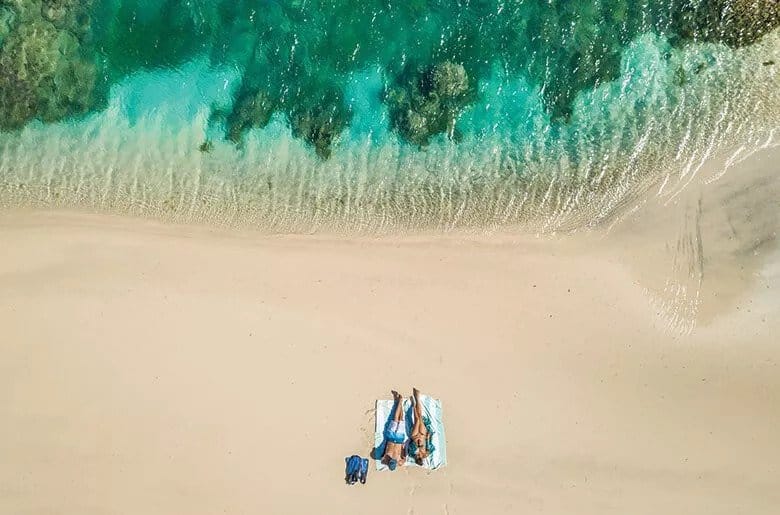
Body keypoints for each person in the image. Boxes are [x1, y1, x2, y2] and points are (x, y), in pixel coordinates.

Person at [381, 390, 407, 470]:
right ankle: (400, 401)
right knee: (398, 418)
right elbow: (404, 457)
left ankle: (400, 401)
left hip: (397, 438)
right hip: (393, 437)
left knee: (399, 418)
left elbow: (403, 459)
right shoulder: (386, 458)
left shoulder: (398, 460)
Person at [409, 387, 435, 466]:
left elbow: (411, 445)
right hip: (423, 435)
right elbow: (430, 445)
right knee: (420, 417)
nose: (418, 455)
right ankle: (417, 398)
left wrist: (416, 445)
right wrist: (428, 437)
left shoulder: (412, 454)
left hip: (415, 435)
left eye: (417, 457)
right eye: (419, 456)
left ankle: (414, 406)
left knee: (417, 420)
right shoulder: (426, 454)